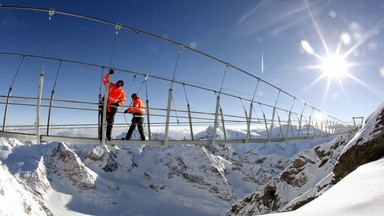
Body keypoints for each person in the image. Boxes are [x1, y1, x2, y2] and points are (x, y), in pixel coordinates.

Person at [99, 69, 126, 141]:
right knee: (103, 122)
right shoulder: (110, 85)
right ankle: (102, 135)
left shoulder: (122, 92)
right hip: (105, 104)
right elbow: (104, 80)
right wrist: (109, 74)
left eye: (119, 83)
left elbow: (123, 100)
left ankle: (108, 136)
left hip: (112, 107)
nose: (118, 83)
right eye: (118, 82)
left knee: (110, 123)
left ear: (121, 85)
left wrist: (118, 103)